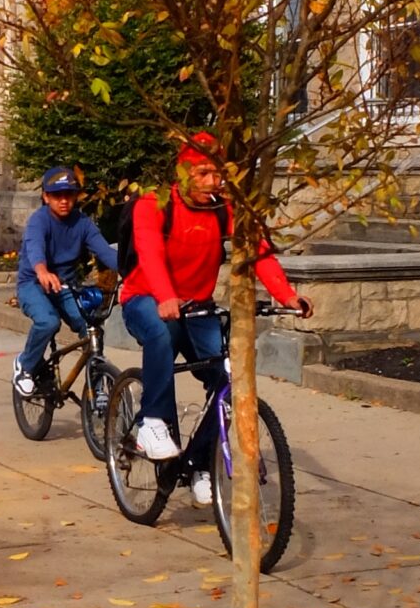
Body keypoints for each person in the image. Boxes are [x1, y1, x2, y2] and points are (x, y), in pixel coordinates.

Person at [118, 136, 309, 498]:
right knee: (161, 332)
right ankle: (152, 421)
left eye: (218, 172)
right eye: (203, 173)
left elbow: (258, 250)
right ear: (183, 172)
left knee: (227, 378)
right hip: (145, 297)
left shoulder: (223, 208)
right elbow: (150, 253)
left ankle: (199, 464)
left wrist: (287, 295)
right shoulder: (153, 204)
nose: (213, 181)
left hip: (196, 306)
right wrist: (165, 295)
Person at [13, 166, 118, 396]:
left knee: (92, 328)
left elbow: (105, 252)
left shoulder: (82, 223)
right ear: (46, 197)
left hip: (65, 286)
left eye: (68, 195)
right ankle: (25, 366)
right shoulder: (39, 221)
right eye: (57, 196)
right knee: (48, 322)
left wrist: (136, 270)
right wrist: (42, 271)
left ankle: (98, 380)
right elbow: (35, 248)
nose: (64, 201)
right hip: (33, 284)